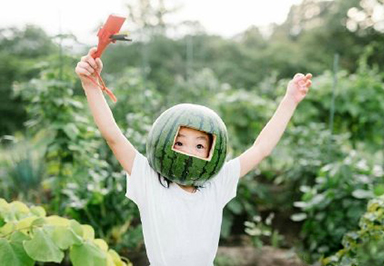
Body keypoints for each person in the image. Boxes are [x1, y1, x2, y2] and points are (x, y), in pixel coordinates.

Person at [75, 47, 312, 266]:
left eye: (200, 146)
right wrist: (91, 85)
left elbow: (261, 148)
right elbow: (113, 137)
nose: (189, 151)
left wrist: (290, 100)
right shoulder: (148, 180)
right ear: (165, 144)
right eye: (179, 142)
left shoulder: (217, 181)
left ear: (213, 152)